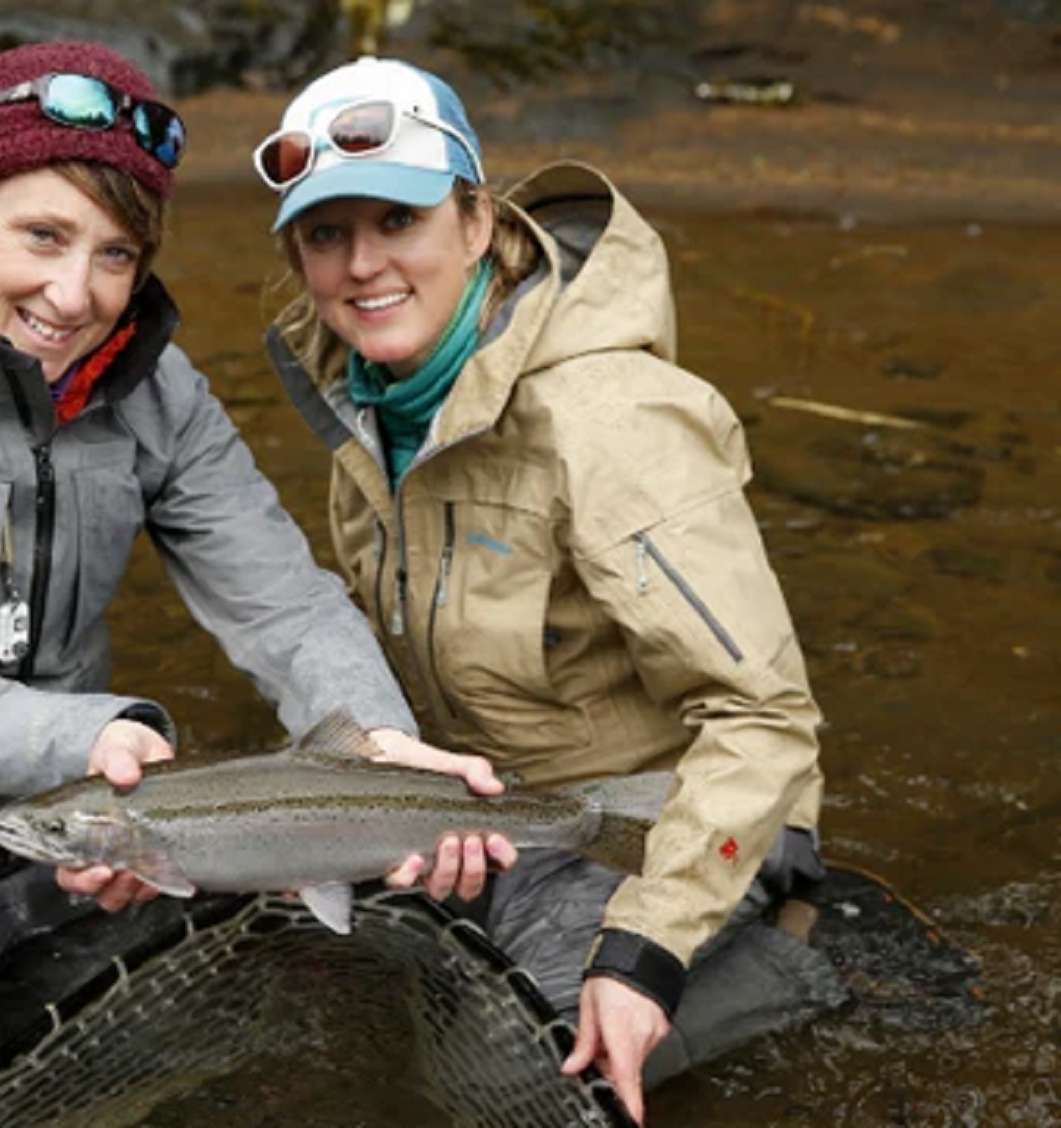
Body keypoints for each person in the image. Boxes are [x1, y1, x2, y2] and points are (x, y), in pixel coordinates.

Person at [0, 39, 508, 1125]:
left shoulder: (152, 387)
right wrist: (105, 745)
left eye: (117, 255)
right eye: (42, 236)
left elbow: (282, 597)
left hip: (71, 850)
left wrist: (370, 743)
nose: (74, 295)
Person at [257, 56, 843, 1123]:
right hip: (483, 814)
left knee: (508, 1081)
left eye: (398, 219)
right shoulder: (366, 408)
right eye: (325, 235)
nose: (360, 266)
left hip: (647, 817)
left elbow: (765, 719)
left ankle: (781, 968)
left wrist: (644, 948)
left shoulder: (609, 419)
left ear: (478, 221)